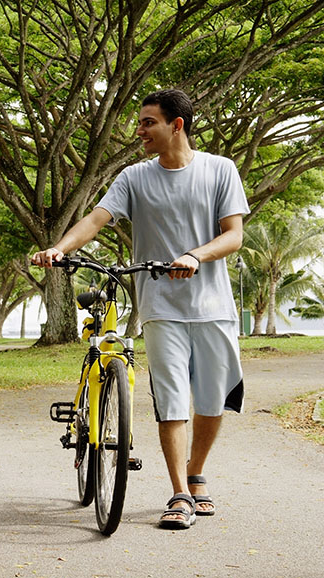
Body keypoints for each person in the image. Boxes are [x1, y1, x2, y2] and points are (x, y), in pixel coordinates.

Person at [31, 89, 246, 530]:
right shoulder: (134, 177)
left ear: (177, 125)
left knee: (211, 401)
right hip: (161, 307)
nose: (140, 130)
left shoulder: (219, 170)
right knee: (170, 401)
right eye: (141, 122)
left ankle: (195, 469)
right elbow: (95, 220)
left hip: (214, 307)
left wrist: (195, 255)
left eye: (149, 122)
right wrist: (58, 247)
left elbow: (233, 236)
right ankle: (179, 494)